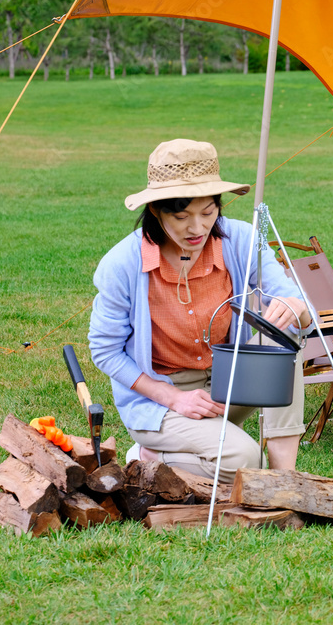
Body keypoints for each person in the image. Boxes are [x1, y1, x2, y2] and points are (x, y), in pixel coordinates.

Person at [89, 139, 311, 482]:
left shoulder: (241, 240)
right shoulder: (122, 264)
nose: (197, 228)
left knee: (284, 341)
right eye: (181, 216)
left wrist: (295, 307)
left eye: (208, 213)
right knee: (245, 459)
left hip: (228, 377)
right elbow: (104, 351)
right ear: (155, 212)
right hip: (162, 399)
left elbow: (301, 310)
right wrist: (174, 398)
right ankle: (151, 455)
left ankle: (287, 478)